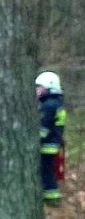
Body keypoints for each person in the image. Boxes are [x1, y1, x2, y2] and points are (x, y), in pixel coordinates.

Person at [35, 71, 66, 207]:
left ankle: (52, 198)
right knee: (49, 171)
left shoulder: (48, 106)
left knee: (46, 172)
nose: (37, 90)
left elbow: (43, 130)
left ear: (49, 87)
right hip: (54, 143)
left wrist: (33, 137)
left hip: (47, 145)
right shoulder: (57, 104)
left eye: (40, 87)